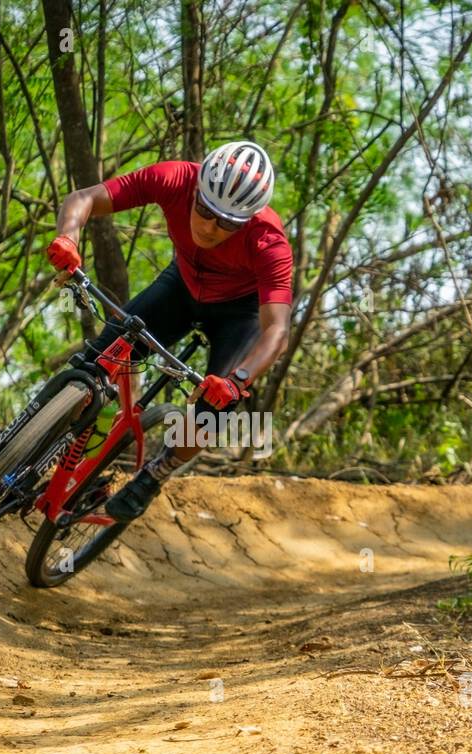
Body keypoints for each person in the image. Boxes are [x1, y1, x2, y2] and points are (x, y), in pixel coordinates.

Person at [45, 141, 293, 523]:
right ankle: (59, 454)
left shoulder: (269, 242)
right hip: (182, 286)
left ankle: (157, 472)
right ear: (196, 190)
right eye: (205, 210)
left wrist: (238, 380)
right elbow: (84, 198)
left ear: (248, 219)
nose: (209, 228)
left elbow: (276, 329)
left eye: (227, 223)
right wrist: (68, 239)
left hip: (238, 313)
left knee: (217, 407)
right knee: (95, 365)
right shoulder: (174, 178)